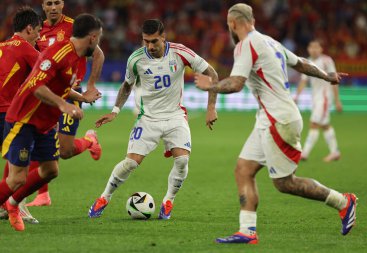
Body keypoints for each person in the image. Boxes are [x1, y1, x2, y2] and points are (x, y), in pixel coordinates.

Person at [194, 3, 357, 244]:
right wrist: (326, 75)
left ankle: (343, 202)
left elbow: (236, 83)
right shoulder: (269, 41)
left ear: (232, 23)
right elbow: (301, 63)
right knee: (243, 169)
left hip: (278, 120)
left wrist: (212, 86)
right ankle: (247, 231)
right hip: (268, 118)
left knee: (284, 183)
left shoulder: (245, 45)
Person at [88, 19, 218, 219]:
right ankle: (104, 197)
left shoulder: (180, 52)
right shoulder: (136, 59)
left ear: (164, 37)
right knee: (131, 163)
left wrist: (211, 107)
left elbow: (212, 74)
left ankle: (168, 201)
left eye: (154, 41)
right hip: (147, 118)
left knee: (182, 160)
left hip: (175, 116)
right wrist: (115, 111)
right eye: (145, 41)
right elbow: (126, 86)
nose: (150, 46)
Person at [0, 13, 102, 232]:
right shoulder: (58, 52)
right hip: (24, 119)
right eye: (99, 39)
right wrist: (63, 105)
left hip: (44, 124)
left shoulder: (77, 56)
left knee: (50, 170)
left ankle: (12, 203)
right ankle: (9, 203)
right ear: (93, 37)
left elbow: (61, 87)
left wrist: (82, 98)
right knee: (17, 178)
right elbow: (37, 86)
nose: (99, 44)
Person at [25, 0, 105, 207]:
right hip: (45, 95)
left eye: (57, 3)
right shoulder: (36, 30)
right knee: (38, 142)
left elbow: (99, 54)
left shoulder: (74, 26)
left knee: (65, 151)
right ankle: (43, 195)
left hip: (70, 94)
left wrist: (91, 86)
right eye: (49, 3)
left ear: (62, 5)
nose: (53, 7)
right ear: (43, 6)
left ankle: (89, 141)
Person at [0, 6, 42, 224]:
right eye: (37, 30)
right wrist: (78, 96)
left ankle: (7, 206)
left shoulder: (2, 45)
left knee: (12, 161)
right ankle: (16, 207)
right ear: (28, 28)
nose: (39, 35)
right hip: (7, 112)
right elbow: (48, 72)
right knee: (20, 166)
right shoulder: (26, 49)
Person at [294, 39, 342, 162]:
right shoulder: (307, 62)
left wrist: (337, 100)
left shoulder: (327, 61)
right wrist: (297, 96)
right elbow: (304, 81)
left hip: (325, 97)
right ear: (308, 49)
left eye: (317, 47)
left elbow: (334, 80)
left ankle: (304, 153)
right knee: (325, 125)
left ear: (321, 49)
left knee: (314, 124)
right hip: (315, 98)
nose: (314, 49)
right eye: (312, 47)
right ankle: (335, 152)